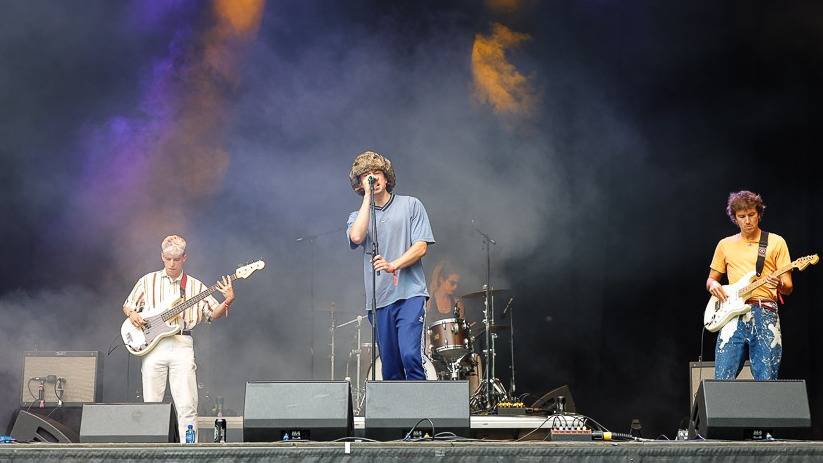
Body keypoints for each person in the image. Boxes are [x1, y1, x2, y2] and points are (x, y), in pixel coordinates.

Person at [122, 235, 235, 442]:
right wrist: (133, 315)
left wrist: (226, 301)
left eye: (176, 259)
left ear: (185, 258)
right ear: (162, 257)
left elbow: (212, 313)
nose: (172, 264)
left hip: (181, 344)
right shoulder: (148, 281)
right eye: (168, 259)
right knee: (151, 404)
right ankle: (151, 451)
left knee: (187, 404)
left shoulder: (195, 286)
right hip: (152, 347)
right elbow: (128, 304)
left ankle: (188, 451)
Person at [347, 150, 435, 380]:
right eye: (366, 176)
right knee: (390, 366)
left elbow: (421, 246)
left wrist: (394, 264)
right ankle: (398, 415)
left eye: (377, 173)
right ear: (359, 184)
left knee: (410, 355)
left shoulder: (411, 205)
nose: (373, 179)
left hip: (410, 294)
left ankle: (422, 412)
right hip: (379, 300)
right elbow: (356, 237)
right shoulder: (357, 216)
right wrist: (367, 197)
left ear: (387, 178)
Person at [706, 191, 793, 380]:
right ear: (735, 218)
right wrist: (713, 284)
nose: (747, 221)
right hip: (732, 314)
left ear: (759, 214)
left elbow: (788, 287)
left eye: (752, 215)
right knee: (722, 377)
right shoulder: (725, 245)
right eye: (742, 216)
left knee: (766, 378)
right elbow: (711, 279)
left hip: (765, 311)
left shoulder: (776, 242)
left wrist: (778, 284)